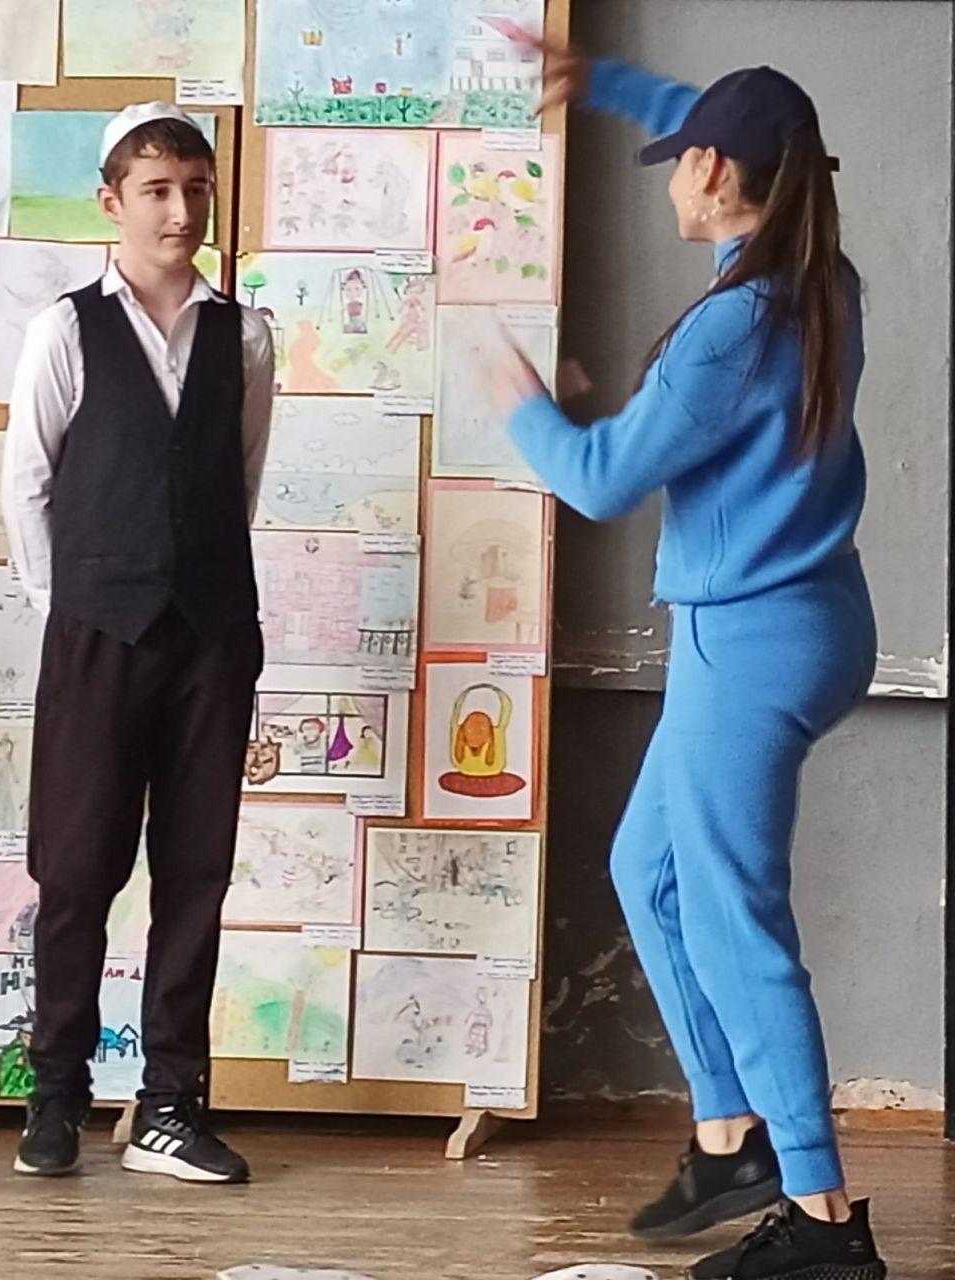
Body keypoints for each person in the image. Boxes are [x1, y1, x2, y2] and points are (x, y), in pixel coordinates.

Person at [488, 43, 887, 1280]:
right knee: (645, 869)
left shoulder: (729, 326)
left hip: (748, 641)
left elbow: (599, 478)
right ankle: (729, 1134)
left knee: (734, 922)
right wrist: (602, 82)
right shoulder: (818, 278)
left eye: (679, 159)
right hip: (806, 620)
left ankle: (823, 1218)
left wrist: (514, 395)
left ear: (714, 173)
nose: (667, 176)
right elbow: (744, 128)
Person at [2, 102, 274, 1184]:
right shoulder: (65, 331)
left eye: (196, 188)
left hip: (212, 636)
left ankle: (169, 1103)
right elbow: (28, 485)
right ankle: (56, 1095)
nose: (180, 210)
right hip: (94, 634)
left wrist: (198, 586)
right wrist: (68, 606)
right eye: (157, 190)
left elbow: (237, 481)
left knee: (195, 870)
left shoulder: (242, 335)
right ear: (111, 202)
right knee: (75, 869)